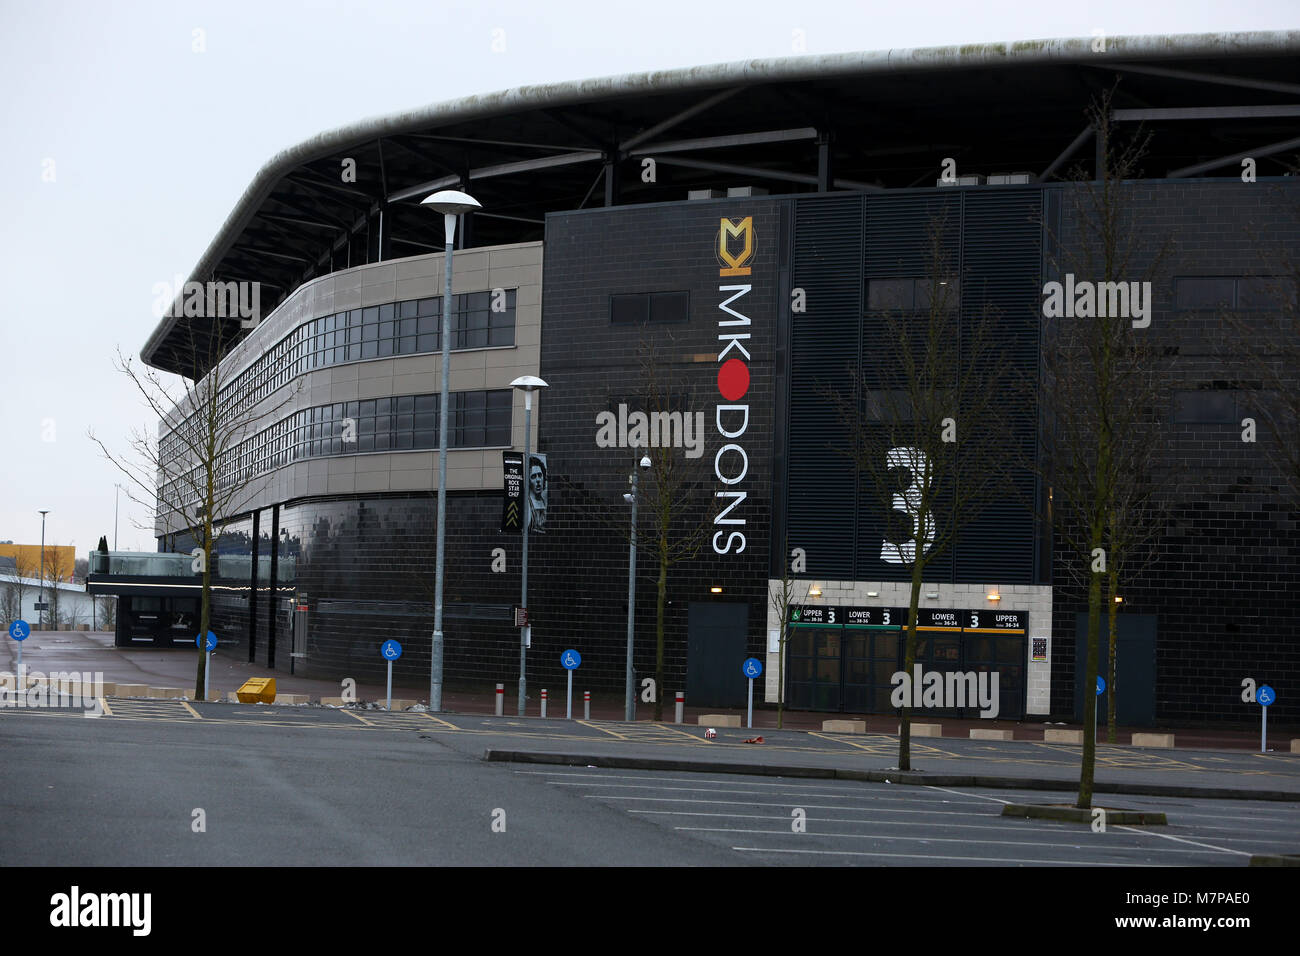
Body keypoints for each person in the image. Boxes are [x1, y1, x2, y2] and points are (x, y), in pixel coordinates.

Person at [527, 456, 547, 533]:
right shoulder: (528, 504)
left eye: (540, 475)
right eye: (533, 476)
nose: (538, 480)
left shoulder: (543, 501)